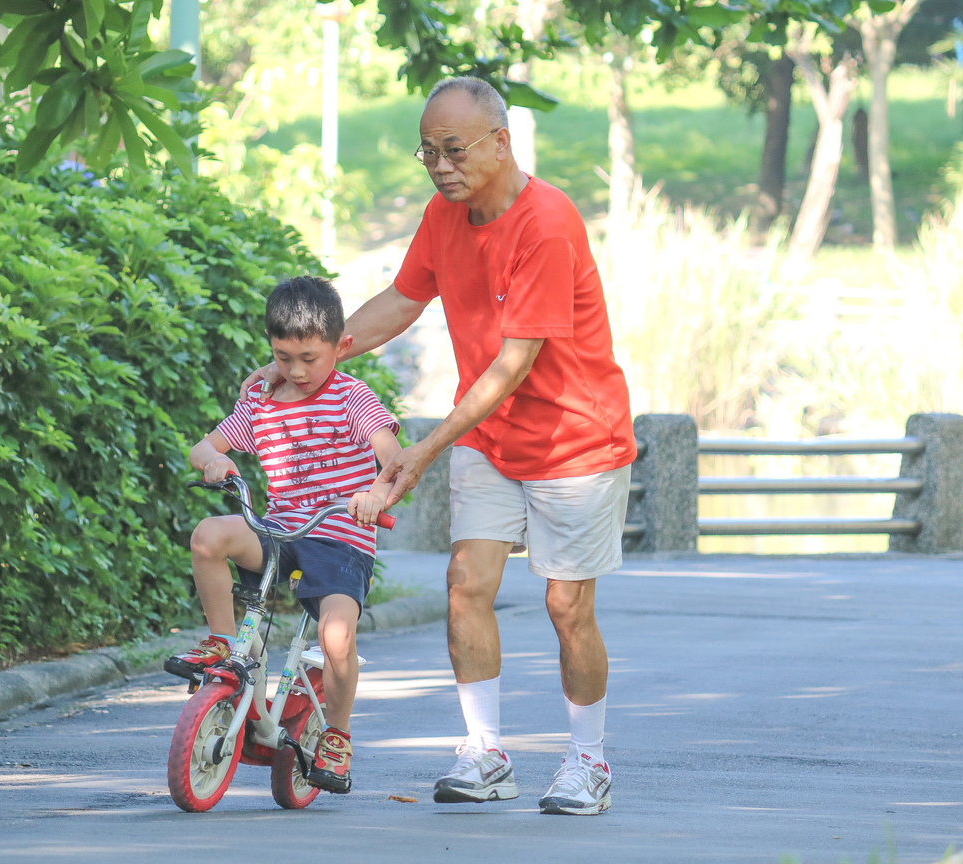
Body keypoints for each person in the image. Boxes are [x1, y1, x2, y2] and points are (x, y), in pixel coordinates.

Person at [242, 77, 636, 816]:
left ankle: (588, 760)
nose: (439, 165)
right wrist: (315, 359)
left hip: (575, 441)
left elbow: (513, 367)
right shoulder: (443, 216)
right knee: (465, 587)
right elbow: (401, 299)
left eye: (451, 150)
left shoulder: (546, 224)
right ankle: (485, 753)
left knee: (565, 607)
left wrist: (418, 453)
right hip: (490, 437)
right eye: (427, 152)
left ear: (499, 142)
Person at [166, 275, 402, 795]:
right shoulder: (265, 400)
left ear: (341, 348)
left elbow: (392, 457)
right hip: (279, 530)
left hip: (340, 536)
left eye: (309, 359)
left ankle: (336, 736)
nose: (296, 371)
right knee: (209, 536)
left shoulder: (352, 398)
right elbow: (205, 447)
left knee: (336, 636)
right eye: (283, 356)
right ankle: (226, 647)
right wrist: (216, 463)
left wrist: (377, 494)